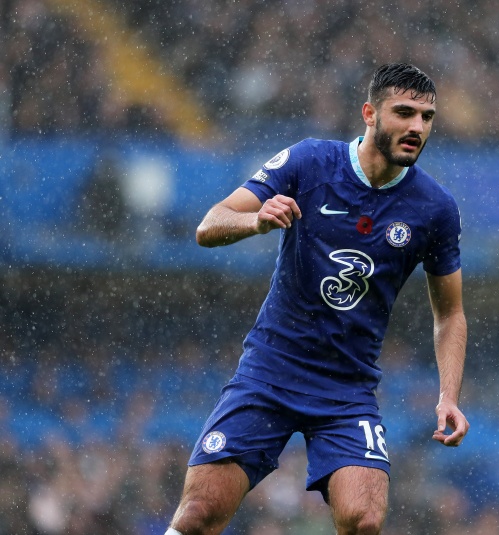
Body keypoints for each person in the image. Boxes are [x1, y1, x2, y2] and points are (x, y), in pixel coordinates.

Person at [164, 63, 469, 535]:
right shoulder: (309, 162)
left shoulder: (435, 208)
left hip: (347, 389)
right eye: (404, 112)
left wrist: (449, 395)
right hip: (270, 371)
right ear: (370, 114)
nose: (417, 127)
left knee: (364, 520)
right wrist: (255, 221)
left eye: (426, 117)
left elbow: (449, 314)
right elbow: (210, 225)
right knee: (199, 515)